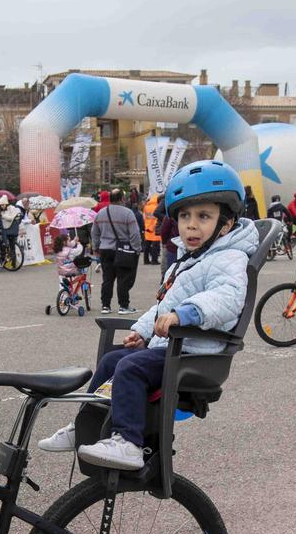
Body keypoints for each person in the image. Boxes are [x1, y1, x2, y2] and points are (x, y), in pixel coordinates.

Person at [37, 161, 257, 472]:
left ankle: (129, 442)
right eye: (184, 216)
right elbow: (162, 306)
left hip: (196, 354)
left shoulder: (229, 258)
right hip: (174, 348)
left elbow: (228, 298)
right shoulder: (190, 260)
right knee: (114, 359)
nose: (191, 225)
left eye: (204, 216)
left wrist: (187, 313)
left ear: (227, 224)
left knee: (130, 367)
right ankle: (86, 423)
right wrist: (142, 331)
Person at [92, 190, 143, 311]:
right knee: (123, 278)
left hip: (105, 249)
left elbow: (95, 233)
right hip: (123, 251)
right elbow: (135, 234)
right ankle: (123, 306)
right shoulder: (128, 213)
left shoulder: (101, 213)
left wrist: (96, 247)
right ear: (122, 199)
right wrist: (137, 249)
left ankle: (105, 306)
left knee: (107, 279)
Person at [140, 190, 163, 265]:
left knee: (147, 245)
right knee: (155, 246)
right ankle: (154, 260)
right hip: (154, 228)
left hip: (147, 228)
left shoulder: (146, 207)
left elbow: (144, 217)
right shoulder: (157, 207)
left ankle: (146, 260)